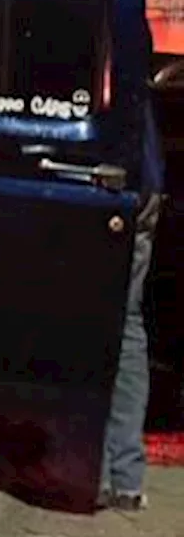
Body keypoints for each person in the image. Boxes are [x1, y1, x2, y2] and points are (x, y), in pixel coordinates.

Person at [99, 91, 165, 511]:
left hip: (109, 178)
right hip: (141, 178)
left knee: (89, 324)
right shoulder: (127, 28)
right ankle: (123, 476)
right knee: (125, 325)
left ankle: (98, 471)